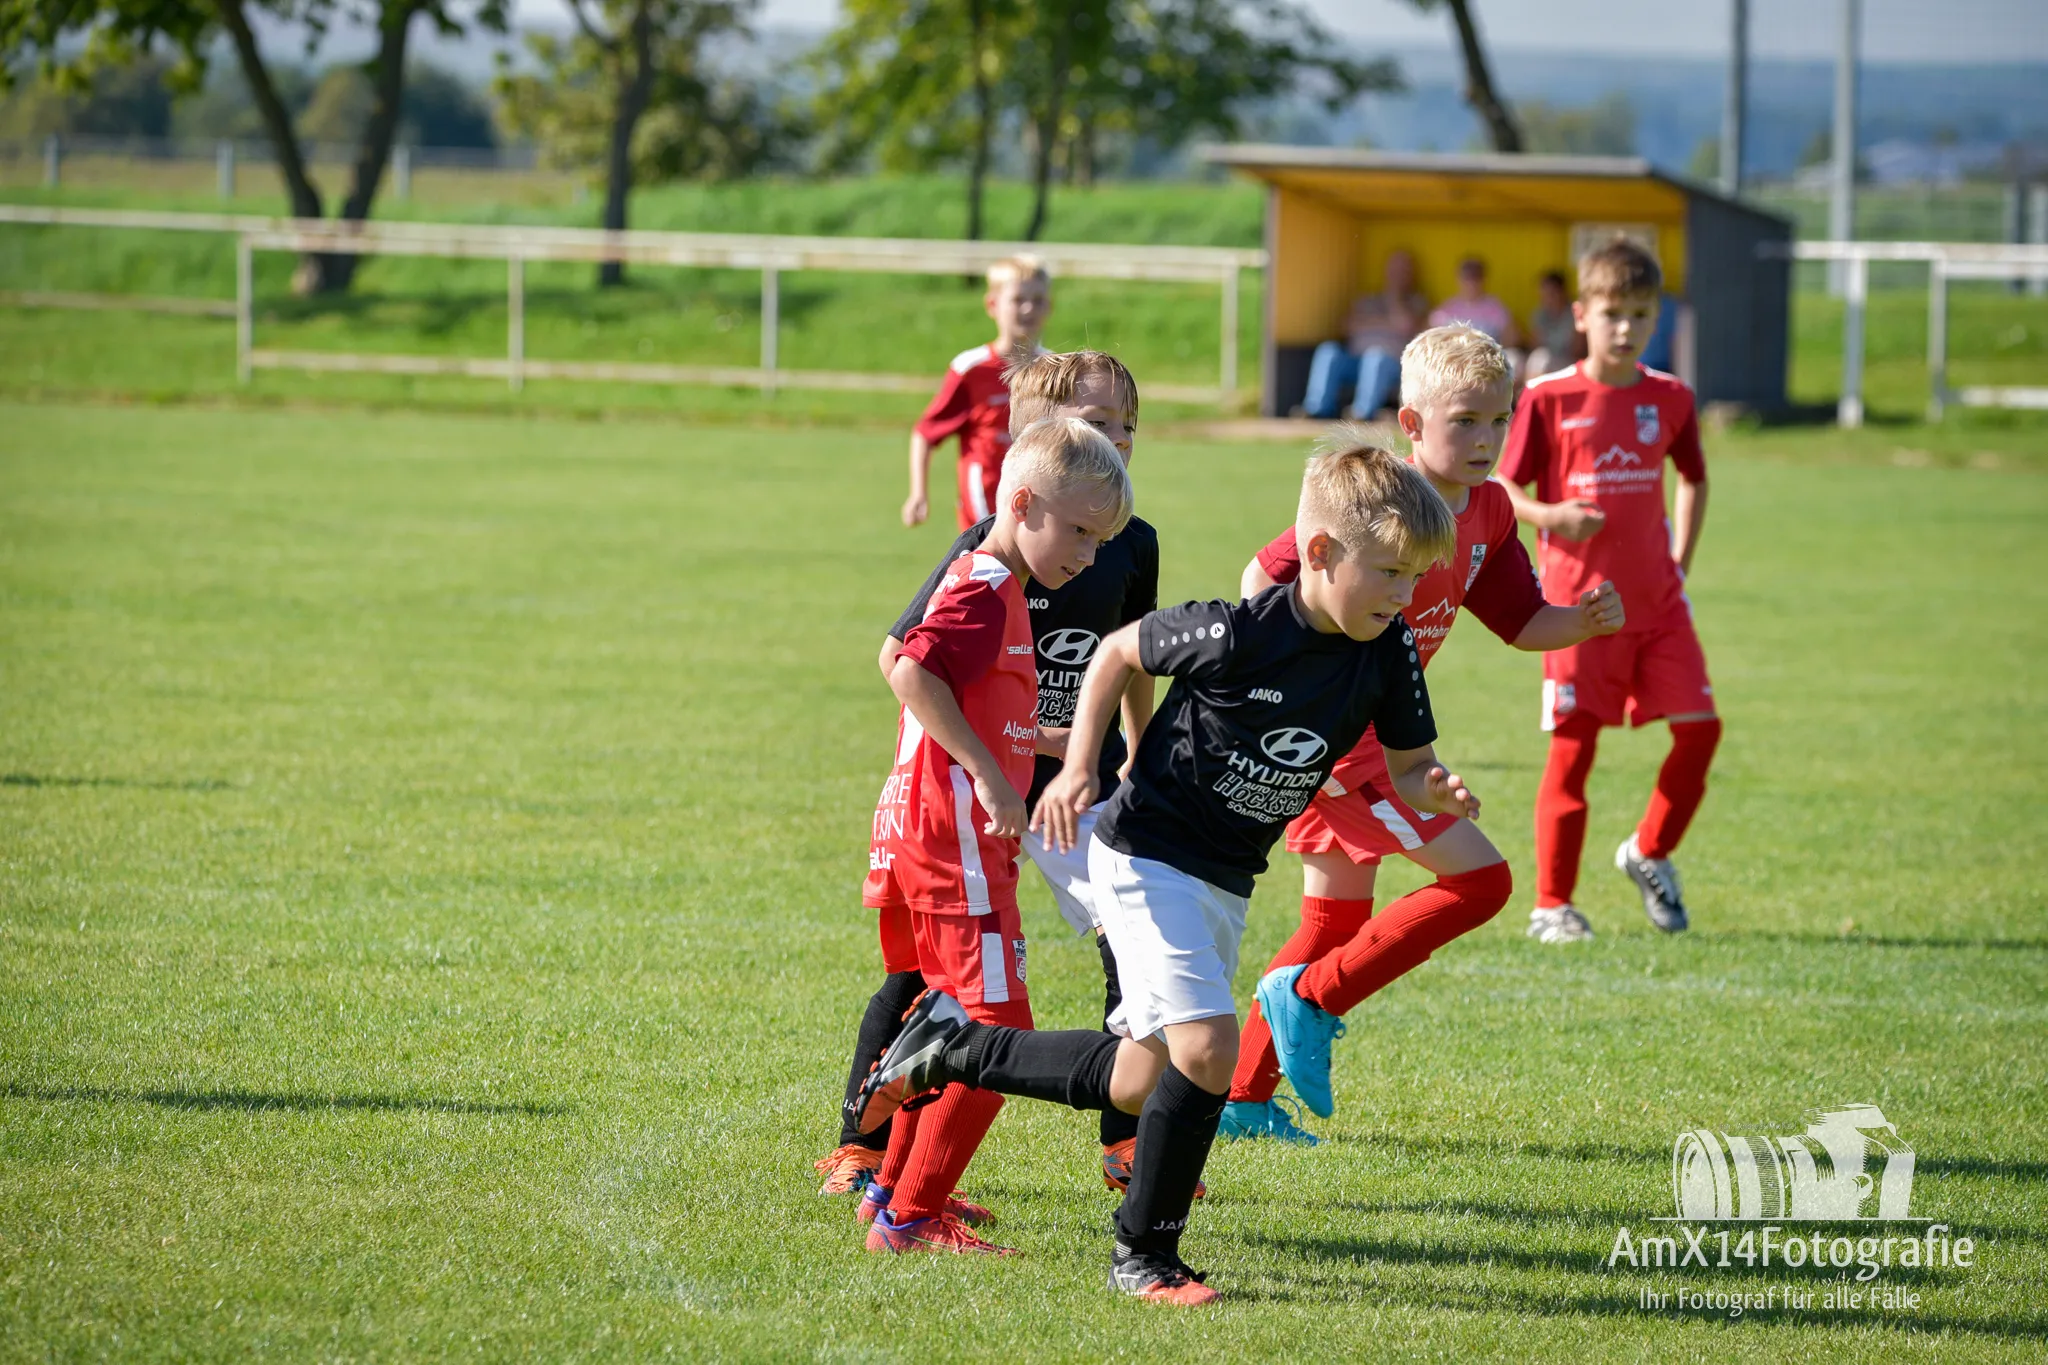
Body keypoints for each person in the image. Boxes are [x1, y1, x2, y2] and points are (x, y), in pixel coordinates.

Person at [848, 442, 1473, 1302]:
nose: (1406, 594)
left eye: (1415, 576)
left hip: (1225, 876)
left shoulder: (1388, 645)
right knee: (1209, 1047)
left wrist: (1435, 785)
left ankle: (954, 1046)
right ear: (1322, 552)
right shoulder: (1238, 629)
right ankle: (1145, 1255)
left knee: (1140, 1078)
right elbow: (1115, 652)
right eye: (1391, 572)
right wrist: (1079, 769)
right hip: (1147, 849)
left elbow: (1410, 764)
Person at [1222, 326, 1626, 1142]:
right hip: (1348, 738)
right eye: (1464, 420)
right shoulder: (1381, 497)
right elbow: (1264, 572)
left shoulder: (1492, 508)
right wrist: (1298, 677)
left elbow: (1521, 620)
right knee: (1483, 883)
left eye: (1498, 420)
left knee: (1332, 923)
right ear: (1411, 423)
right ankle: (1311, 997)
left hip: (1378, 734)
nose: (1485, 439)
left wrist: (1580, 621)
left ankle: (1242, 1099)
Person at [814, 351, 1162, 1202]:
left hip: (1062, 791)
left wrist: (1120, 748)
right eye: (1096, 422)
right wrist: (1002, 758)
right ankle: (873, 1162)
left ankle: (1118, 1141)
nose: (1116, 438)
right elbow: (907, 663)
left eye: (1127, 425)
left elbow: (1125, 653)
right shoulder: (988, 562)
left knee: (1127, 943)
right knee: (955, 998)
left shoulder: (1119, 543)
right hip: (972, 808)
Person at [1495, 237, 1718, 944]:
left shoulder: (1671, 397)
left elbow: (1694, 477)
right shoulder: (1548, 397)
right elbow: (1502, 486)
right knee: (1574, 752)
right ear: (1582, 315)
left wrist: (1680, 560)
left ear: (1657, 319)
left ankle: (1649, 851)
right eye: (1613, 312)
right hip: (1579, 611)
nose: (1626, 328)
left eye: (1641, 314)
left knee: (1701, 730)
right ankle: (1552, 905)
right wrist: (1550, 516)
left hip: (1660, 605)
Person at [903, 255, 1052, 530]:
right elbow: (925, 433)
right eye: (1018, 299)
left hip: (1041, 505)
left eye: (1038, 300)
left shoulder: (1056, 370)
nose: (1029, 308)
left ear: (1049, 306)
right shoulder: (971, 369)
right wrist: (918, 493)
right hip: (985, 505)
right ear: (992, 304)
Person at [1301, 250, 1430, 421]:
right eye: (1394, 270)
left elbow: (1404, 325)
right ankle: (1315, 409)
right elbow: (1347, 325)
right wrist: (1386, 323)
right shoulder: (1368, 299)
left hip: (1391, 365)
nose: (1397, 275)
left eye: (1403, 271)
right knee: (1328, 350)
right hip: (1355, 360)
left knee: (1375, 356)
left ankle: (1361, 413)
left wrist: (1394, 297)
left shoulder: (1417, 302)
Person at [1429, 256, 1521, 349]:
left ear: (1484, 279)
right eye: (1467, 277)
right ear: (1458, 279)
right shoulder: (1446, 309)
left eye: (1476, 277)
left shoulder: (1495, 307)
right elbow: (1431, 336)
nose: (1471, 283)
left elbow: (1511, 337)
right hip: (1454, 355)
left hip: (1487, 355)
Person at [1524, 270, 1578, 380]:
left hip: (1570, 363)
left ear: (1562, 292)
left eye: (1551, 293)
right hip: (1542, 361)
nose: (1547, 298)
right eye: (1543, 293)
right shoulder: (1540, 314)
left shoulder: (1575, 314)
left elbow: (1577, 351)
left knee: (1541, 360)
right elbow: (1534, 345)